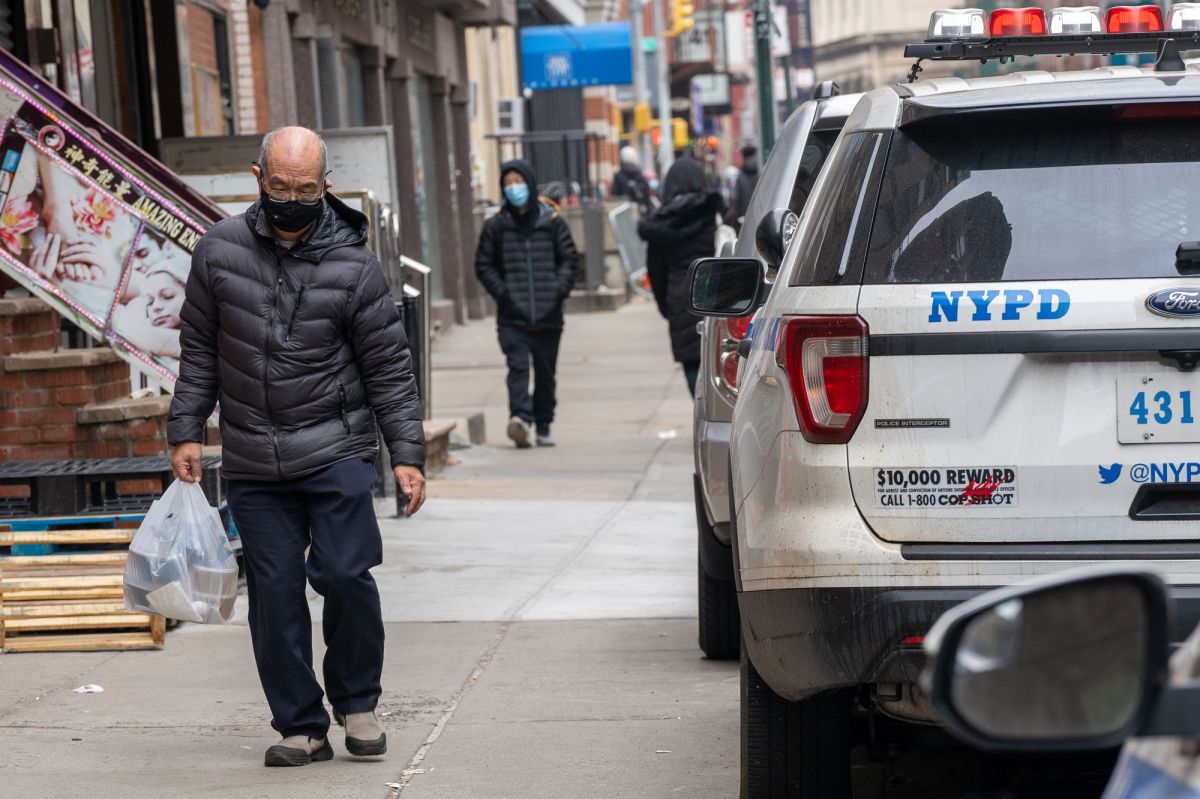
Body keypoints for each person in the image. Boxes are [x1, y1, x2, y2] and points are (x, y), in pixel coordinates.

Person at [167, 126, 426, 768]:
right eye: (280, 187)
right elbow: (199, 349)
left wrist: (407, 453)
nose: (292, 197)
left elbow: (390, 370)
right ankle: (300, 723)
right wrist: (186, 427)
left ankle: (357, 701)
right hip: (254, 457)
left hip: (336, 448)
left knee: (345, 574)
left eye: (305, 189)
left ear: (325, 187)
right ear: (259, 180)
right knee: (275, 592)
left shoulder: (356, 266)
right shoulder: (218, 251)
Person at [475, 159, 578, 449]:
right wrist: (504, 294)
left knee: (546, 373)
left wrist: (558, 290)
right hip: (512, 316)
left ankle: (543, 422)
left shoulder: (553, 222)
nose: (513, 188)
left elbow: (569, 260)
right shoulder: (496, 226)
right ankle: (520, 418)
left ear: (530, 184)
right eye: (507, 184)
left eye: (517, 182)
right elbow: (484, 265)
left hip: (549, 315)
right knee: (518, 368)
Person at [637, 157, 724, 396]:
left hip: (681, 298)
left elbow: (656, 274)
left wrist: (668, 308)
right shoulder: (714, 213)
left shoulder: (659, 225)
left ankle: (700, 408)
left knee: (692, 365)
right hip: (718, 296)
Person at [725, 144, 761, 232]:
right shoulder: (762, 174)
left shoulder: (740, 178)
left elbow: (733, 199)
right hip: (762, 219)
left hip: (745, 221)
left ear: (744, 157)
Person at [611, 145, 652, 214]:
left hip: (624, 213)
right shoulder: (640, 175)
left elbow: (615, 196)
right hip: (641, 212)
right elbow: (647, 193)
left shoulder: (618, 176)